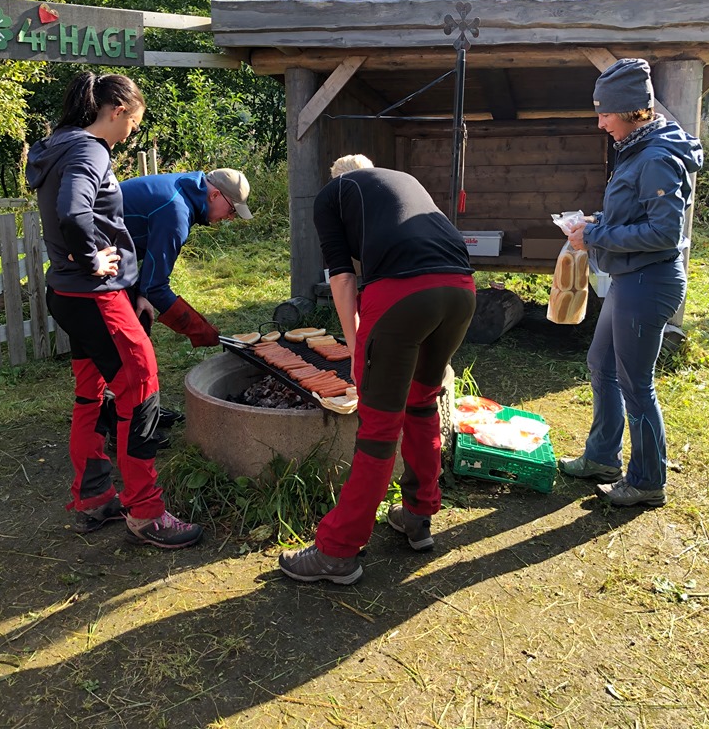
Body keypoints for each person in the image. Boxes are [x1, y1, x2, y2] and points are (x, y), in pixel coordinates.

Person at [278, 155, 477, 584]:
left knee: (379, 427)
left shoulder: (333, 193)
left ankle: (337, 551)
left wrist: (356, 349)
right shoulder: (402, 181)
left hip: (403, 296)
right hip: (460, 291)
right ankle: (418, 516)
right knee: (421, 403)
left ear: (338, 180)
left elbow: (342, 279)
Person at [26, 71, 203, 548]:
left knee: (91, 393)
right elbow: (73, 211)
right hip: (95, 296)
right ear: (118, 111)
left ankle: (94, 498)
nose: (130, 134)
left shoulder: (58, 145)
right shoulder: (90, 150)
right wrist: (91, 258)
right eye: (134, 123)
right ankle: (146, 512)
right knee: (140, 386)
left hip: (68, 295)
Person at [558, 58, 703, 507]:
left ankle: (647, 481)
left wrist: (596, 236)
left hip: (649, 281)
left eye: (605, 113)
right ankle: (602, 458)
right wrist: (598, 221)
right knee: (602, 365)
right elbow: (636, 214)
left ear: (630, 109)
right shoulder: (638, 149)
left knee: (636, 384)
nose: (600, 123)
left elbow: (665, 232)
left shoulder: (656, 157)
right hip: (628, 276)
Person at [120, 167, 253, 347]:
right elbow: (155, 287)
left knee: (138, 317)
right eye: (232, 210)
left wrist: (142, 292)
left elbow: (152, 267)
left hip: (108, 256)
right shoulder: (176, 212)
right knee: (132, 340)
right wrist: (198, 328)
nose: (230, 218)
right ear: (215, 195)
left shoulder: (185, 187)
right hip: (92, 259)